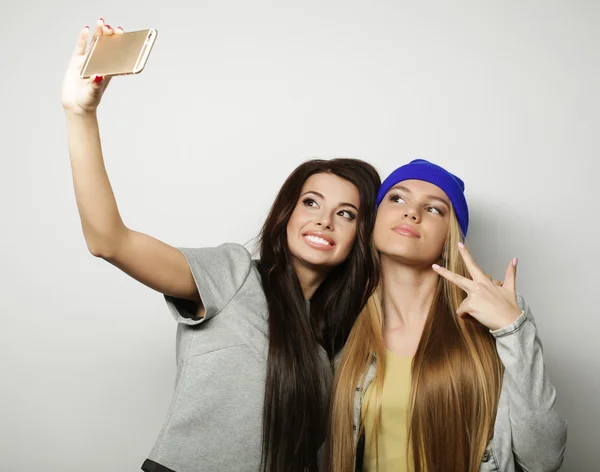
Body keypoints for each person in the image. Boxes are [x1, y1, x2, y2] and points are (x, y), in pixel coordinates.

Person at [61, 19, 381, 472]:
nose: (324, 220)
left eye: (346, 214)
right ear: (287, 213)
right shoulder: (234, 275)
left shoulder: (339, 337)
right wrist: (81, 114)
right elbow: (109, 241)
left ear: (359, 236)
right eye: (311, 202)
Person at [329, 159, 567, 472]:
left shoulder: (496, 314)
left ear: (449, 241)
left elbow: (544, 460)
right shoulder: (342, 320)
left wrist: (512, 329)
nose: (411, 212)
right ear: (373, 221)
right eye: (397, 198)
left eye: (434, 209)